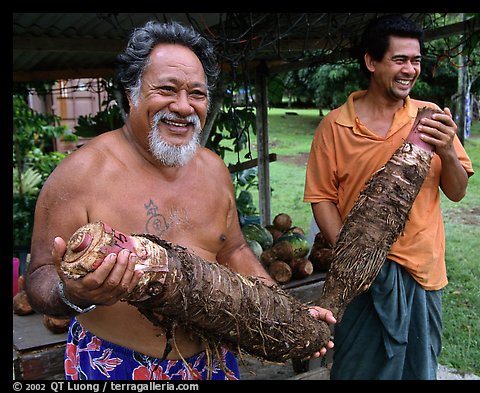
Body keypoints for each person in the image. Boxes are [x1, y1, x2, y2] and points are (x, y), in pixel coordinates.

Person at [25, 20, 335, 381]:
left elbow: (233, 249)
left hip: (212, 360)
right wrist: (72, 293)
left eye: (197, 94)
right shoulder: (79, 175)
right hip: (115, 365)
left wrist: (287, 314)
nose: (184, 107)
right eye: (167, 89)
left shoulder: (214, 169)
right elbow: (40, 278)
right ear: (131, 92)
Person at [303, 14, 474, 380]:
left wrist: (445, 150)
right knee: (357, 370)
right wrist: (357, 258)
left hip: (422, 274)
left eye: (416, 60)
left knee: (417, 369)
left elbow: (457, 191)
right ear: (371, 61)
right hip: (363, 280)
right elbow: (322, 199)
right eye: (399, 60)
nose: (410, 69)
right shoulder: (335, 126)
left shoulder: (429, 120)